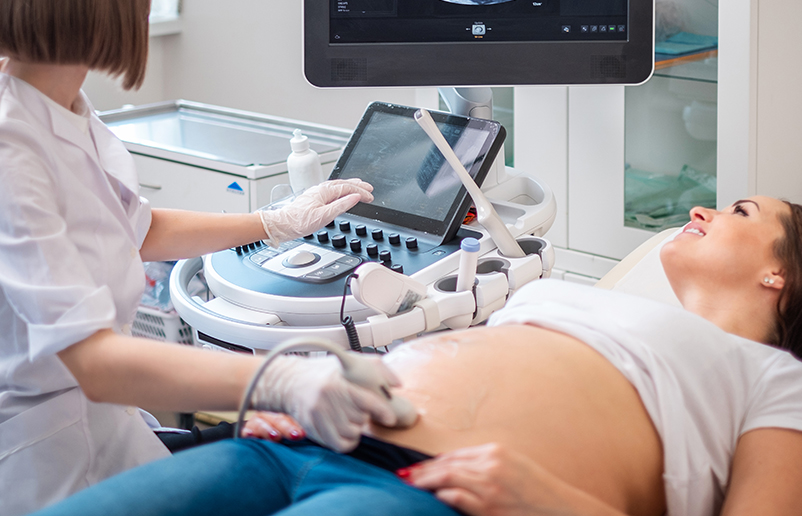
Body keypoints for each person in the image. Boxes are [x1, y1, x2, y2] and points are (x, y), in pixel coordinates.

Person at [0, 0, 401, 516]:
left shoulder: (64, 106)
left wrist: (274, 221)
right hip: (41, 462)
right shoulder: (9, 146)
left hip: (109, 431)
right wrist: (278, 382)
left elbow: (136, 226)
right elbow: (95, 362)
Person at [25, 196, 802, 516]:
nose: (702, 210)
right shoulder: (577, 294)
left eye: (740, 210)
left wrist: (551, 502)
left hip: (428, 490)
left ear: (781, 274)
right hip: (302, 437)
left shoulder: (776, 381)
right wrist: (293, 392)